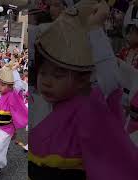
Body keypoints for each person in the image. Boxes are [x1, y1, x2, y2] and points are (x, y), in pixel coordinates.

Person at [29, 1, 138, 179]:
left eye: (58, 76)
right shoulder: (37, 103)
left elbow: (110, 81)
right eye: (43, 74)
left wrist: (95, 29)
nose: (47, 82)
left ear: (82, 80)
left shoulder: (88, 106)